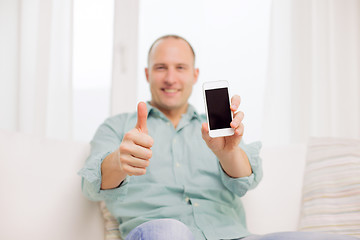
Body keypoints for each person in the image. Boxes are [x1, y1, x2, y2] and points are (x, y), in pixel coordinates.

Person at [79, 35, 358, 240]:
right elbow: (91, 185)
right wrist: (119, 160)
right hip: (162, 234)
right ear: (147, 73)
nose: (171, 78)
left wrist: (228, 154)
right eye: (161, 67)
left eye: (180, 67)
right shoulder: (118, 127)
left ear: (195, 74)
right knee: (169, 232)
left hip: (235, 236)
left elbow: (248, 179)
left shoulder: (215, 126)